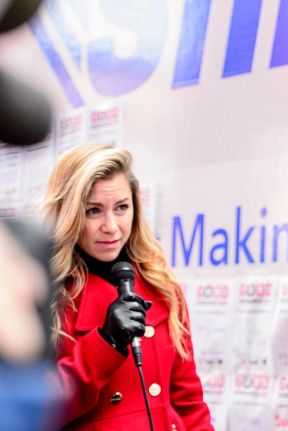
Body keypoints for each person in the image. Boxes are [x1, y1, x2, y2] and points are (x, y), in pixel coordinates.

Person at [43, 144, 213, 430]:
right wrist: (106, 342)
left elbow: (189, 402)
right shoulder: (44, 294)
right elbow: (35, 410)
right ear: (69, 213)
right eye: (93, 211)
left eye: (121, 207)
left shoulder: (160, 285)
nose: (111, 226)